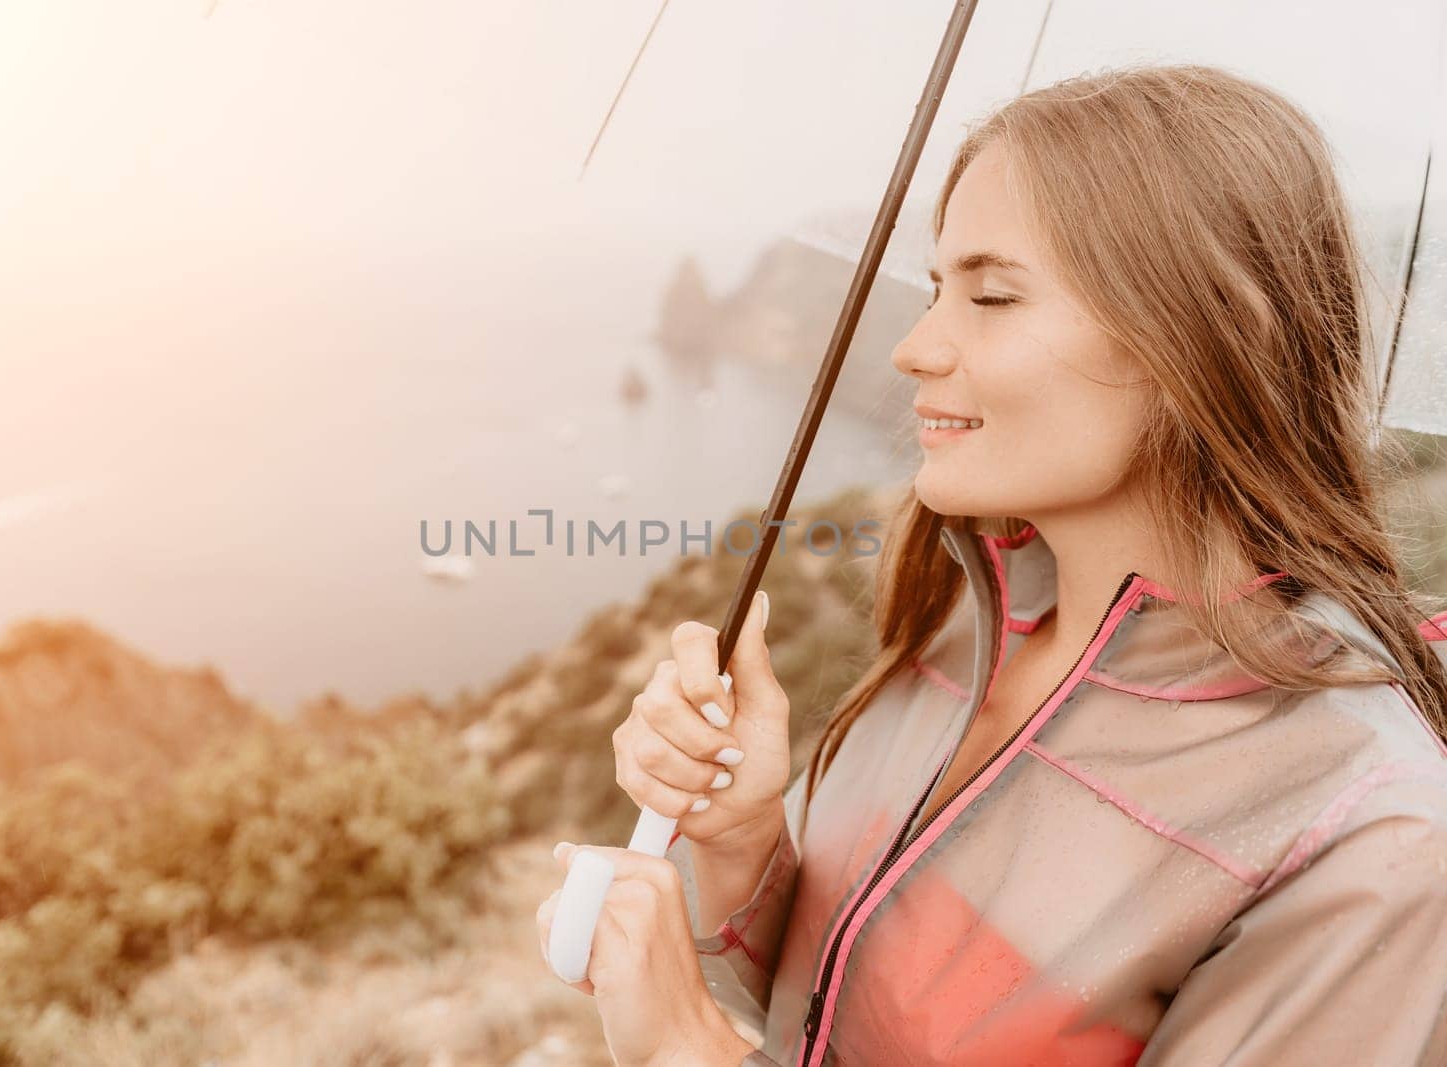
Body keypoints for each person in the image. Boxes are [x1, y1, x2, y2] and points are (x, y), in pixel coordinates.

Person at [536, 62, 1447, 1066]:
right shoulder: (967, 627)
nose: (916, 347)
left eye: (993, 296)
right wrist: (744, 840)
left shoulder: (1366, 831)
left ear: (1206, 333)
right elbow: (851, 1018)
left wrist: (685, 1049)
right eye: (936, 289)